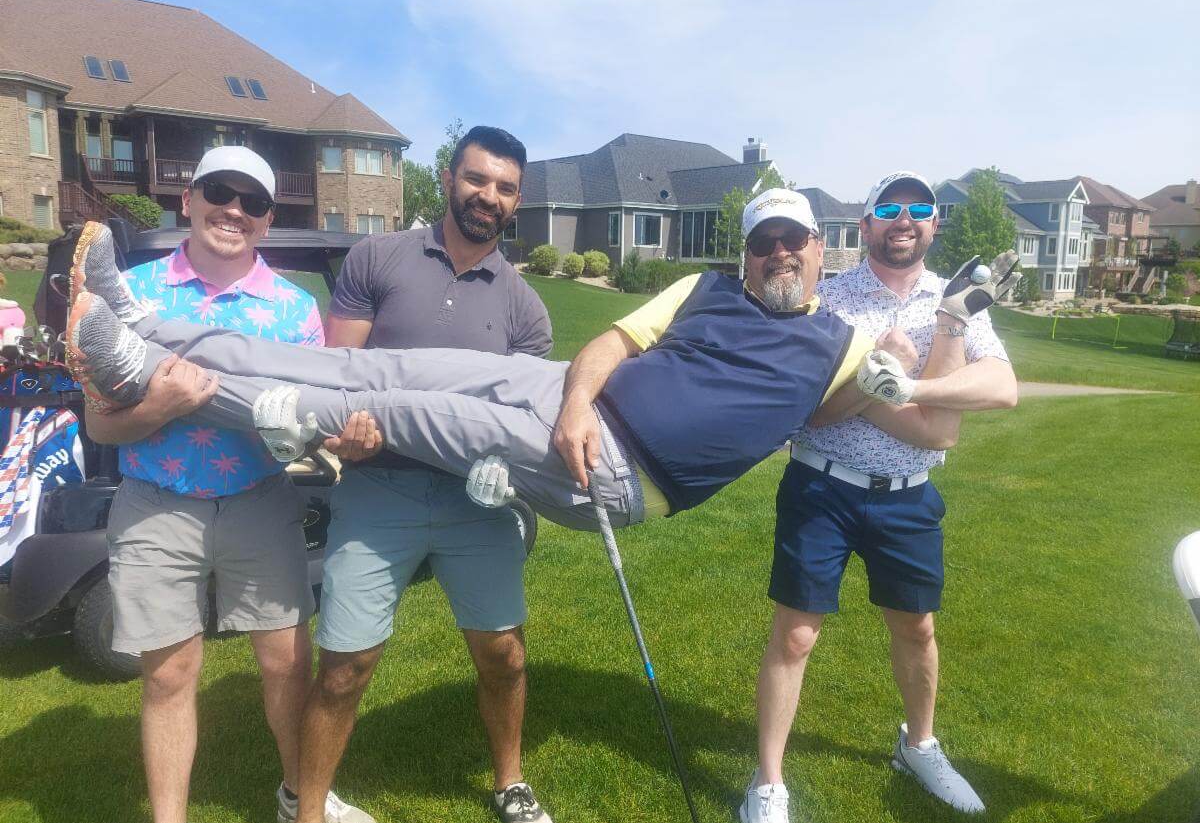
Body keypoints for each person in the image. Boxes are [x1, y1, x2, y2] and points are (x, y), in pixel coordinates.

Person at [66, 187, 1012, 535]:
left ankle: (151, 378)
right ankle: (141, 329)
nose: (775, 254)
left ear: (819, 247)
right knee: (381, 370)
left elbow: (945, 422)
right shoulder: (708, 288)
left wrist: (946, 333)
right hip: (571, 402)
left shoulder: (840, 345)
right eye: (763, 241)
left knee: (399, 417)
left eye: (791, 242)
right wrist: (571, 403)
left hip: (619, 474)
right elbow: (607, 341)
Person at [78, 147, 372, 823]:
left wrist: (336, 438)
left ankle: (303, 800)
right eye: (219, 191)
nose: (234, 210)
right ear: (190, 198)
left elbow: (307, 423)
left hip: (260, 502)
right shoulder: (133, 294)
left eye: (253, 201)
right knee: (169, 675)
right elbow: (100, 423)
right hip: (156, 504)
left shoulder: (297, 312)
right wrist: (162, 408)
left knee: (287, 665)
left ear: (268, 220)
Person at [739, 171, 1019, 823]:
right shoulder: (829, 299)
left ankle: (918, 746)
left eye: (919, 208)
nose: (905, 217)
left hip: (909, 498)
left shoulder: (957, 301)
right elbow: (813, 413)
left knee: (917, 629)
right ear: (863, 227)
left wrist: (911, 386)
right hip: (821, 486)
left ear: (934, 225)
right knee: (796, 635)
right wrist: (879, 380)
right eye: (888, 208)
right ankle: (768, 782)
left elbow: (1001, 387)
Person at [298, 127, 556, 823]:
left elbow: (520, 419)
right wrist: (341, 434)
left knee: (503, 654)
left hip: (476, 502)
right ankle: (309, 810)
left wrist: (510, 472)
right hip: (380, 488)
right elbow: (336, 377)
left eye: (504, 188)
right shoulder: (376, 257)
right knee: (345, 665)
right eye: (477, 179)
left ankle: (510, 782)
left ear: (517, 201)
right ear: (448, 177)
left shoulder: (524, 307)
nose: (488, 197)